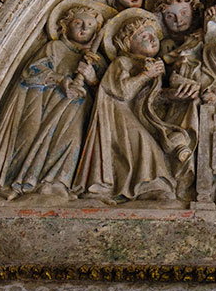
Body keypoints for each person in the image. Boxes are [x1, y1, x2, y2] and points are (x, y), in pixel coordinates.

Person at [0, 0, 112, 201]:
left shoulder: (95, 61)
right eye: (78, 23)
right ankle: (22, 182)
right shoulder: (54, 47)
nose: (84, 29)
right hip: (44, 105)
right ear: (65, 26)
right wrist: (61, 81)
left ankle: (57, 183)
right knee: (30, 139)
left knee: (71, 142)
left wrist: (92, 79)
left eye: (91, 26)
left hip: (78, 111)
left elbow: (108, 96)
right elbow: (32, 71)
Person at [75, 11, 194, 202]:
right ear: (127, 44)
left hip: (140, 114)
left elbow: (150, 99)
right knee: (143, 142)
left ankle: (151, 185)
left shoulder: (151, 65)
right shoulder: (122, 62)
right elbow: (122, 92)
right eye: (144, 36)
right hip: (116, 114)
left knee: (154, 139)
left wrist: (174, 96)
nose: (152, 40)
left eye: (154, 35)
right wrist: (144, 75)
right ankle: (149, 186)